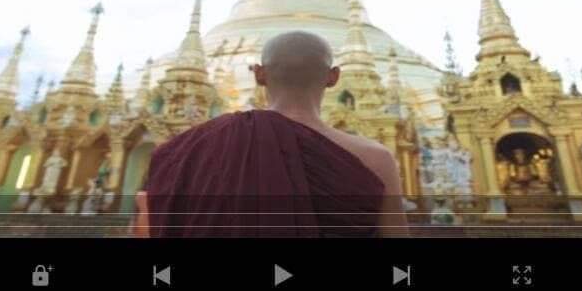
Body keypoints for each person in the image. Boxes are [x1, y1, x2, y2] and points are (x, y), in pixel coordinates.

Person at [133, 31, 408, 237]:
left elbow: (153, 227)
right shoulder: (375, 158)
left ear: (259, 74)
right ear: (334, 77)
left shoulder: (190, 148)